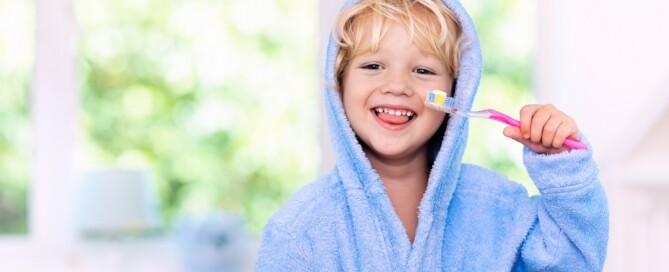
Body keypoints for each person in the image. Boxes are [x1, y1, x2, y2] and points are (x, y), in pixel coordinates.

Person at [255, 0, 608, 271]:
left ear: (457, 93)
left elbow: (573, 261)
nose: (397, 86)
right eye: (373, 66)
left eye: (423, 70)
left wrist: (561, 166)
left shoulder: (498, 207)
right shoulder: (301, 231)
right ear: (340, 83)